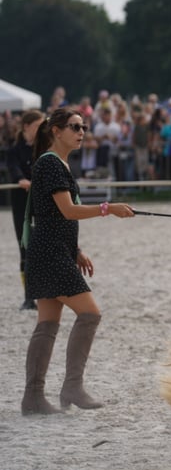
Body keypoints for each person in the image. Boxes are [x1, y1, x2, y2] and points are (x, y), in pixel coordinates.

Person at [21, 108, 134, 415]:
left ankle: (33, 397)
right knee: (90, 314)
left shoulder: (57, 164)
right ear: (56, 131)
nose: (81, 132)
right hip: (50, 254)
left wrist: (77, 250)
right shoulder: (50, 163)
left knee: (46, 324)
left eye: (83, 126)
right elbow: (68, 211)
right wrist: (108, 208)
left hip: (53, 251)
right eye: (74, 127)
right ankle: (72, 387)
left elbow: (55, 217)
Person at [7, 110, 45, 310]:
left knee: (44, 247)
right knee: (25, 248)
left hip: (42, 203)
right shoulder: (14, 150)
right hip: (22, 204)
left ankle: (45, 293)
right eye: (38, 126)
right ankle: (29, 296)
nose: (41, 130)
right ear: (26, 127)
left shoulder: (44, 148)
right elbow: (13, 168)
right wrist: (21, 179)